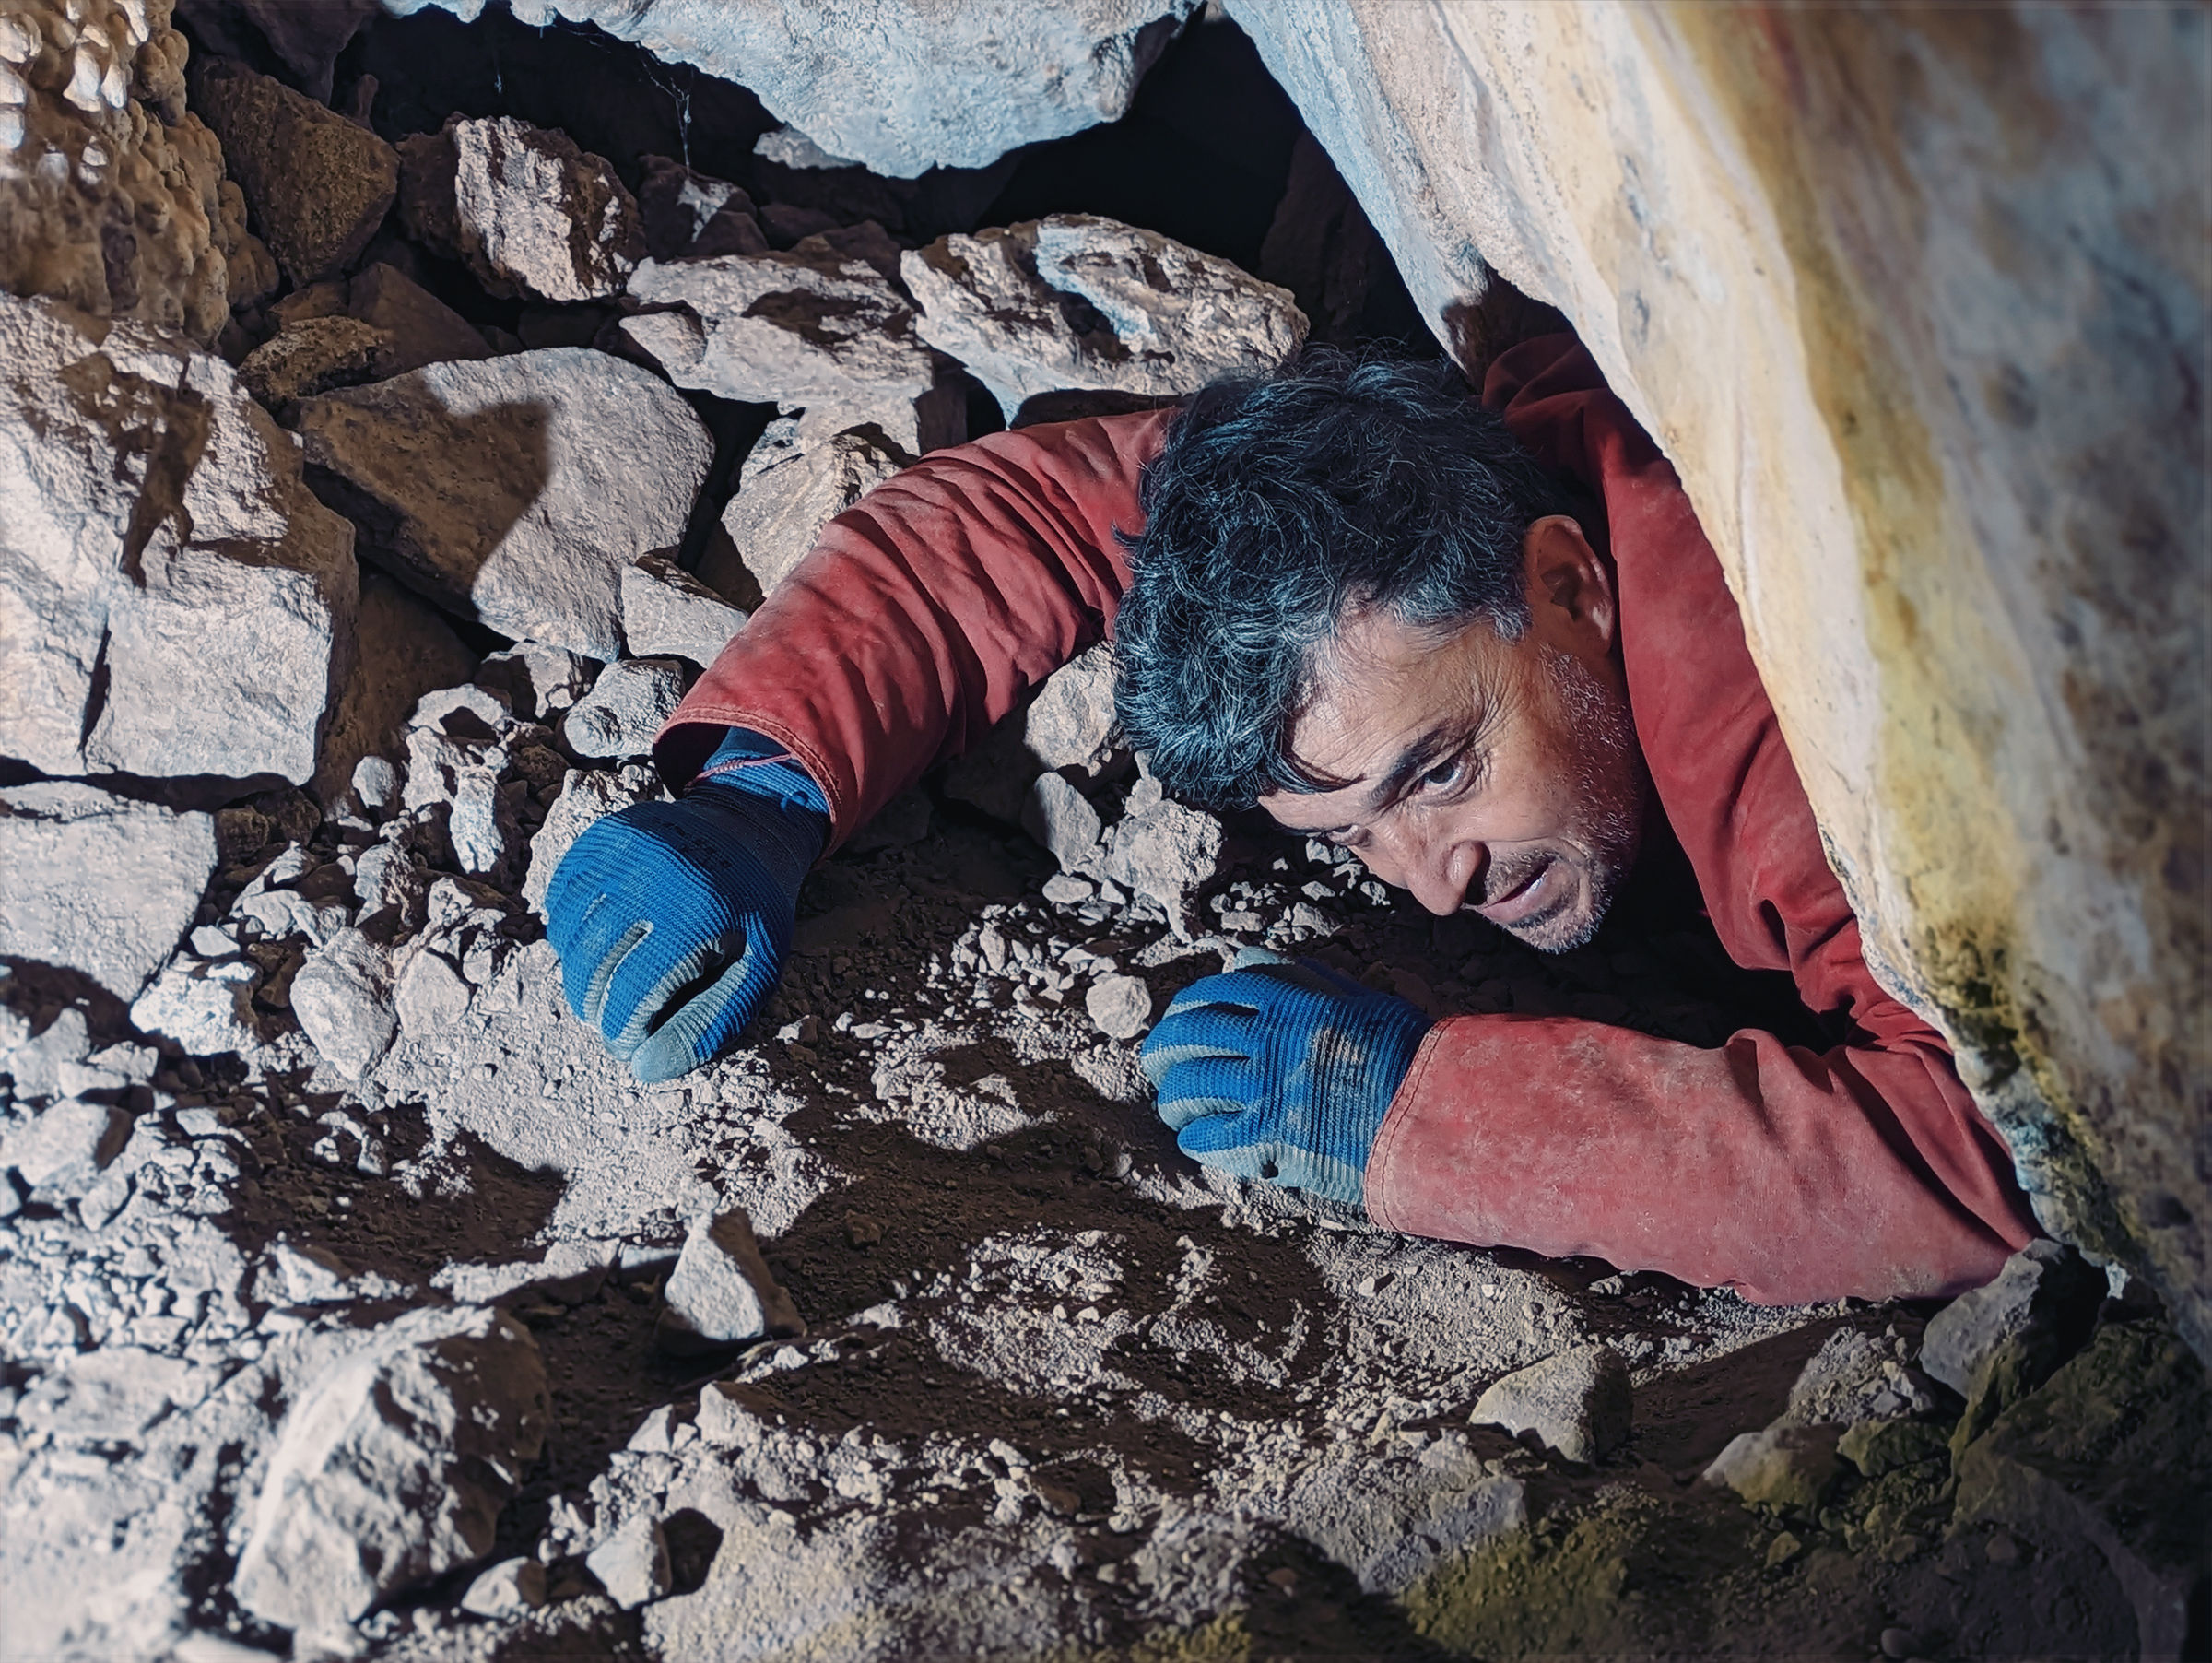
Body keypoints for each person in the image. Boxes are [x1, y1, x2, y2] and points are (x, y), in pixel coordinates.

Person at [545, 333, 2038, 1305]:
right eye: (1347, 838)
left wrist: (1415, 1115)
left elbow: (2000, 1153)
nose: (1434, 892)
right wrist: (763, 786)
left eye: (1437, 774)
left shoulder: (1817, 756)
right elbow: (1029, 517)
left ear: (1572, 585)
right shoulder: (1423, 503)